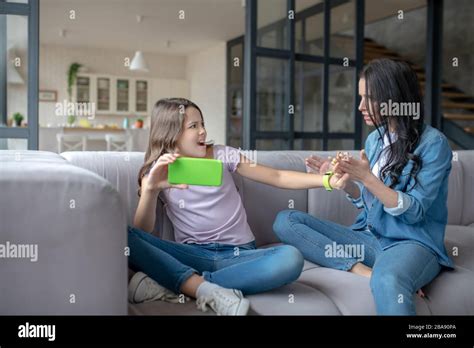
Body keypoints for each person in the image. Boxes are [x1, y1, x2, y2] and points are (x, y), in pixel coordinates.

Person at [128, 98, 348, 315]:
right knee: (125, 236)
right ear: (171, 133)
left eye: (202, 124)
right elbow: (142, 231)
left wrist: (327, 180)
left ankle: (189, 286)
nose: (203, 131)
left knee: (291, 258)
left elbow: (277, 176)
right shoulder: (158, 170)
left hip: (239, 255)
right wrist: (150, 189)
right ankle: (201, 287)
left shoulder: (223, 154)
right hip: (193, 255)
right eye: (193, 126)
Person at [273, 58, 454, 315]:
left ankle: (387, 273)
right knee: (286, 220)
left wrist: (367, 177)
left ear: (393, 98)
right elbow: (368, 204)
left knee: (389, 280)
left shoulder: (434, 144)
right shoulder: (374, 140)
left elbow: (414, 211)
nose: (360, 107)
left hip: (410, 242)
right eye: (360, 97)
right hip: (368, 238)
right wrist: (347, 182)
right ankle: (362, 270)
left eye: (368, 98)